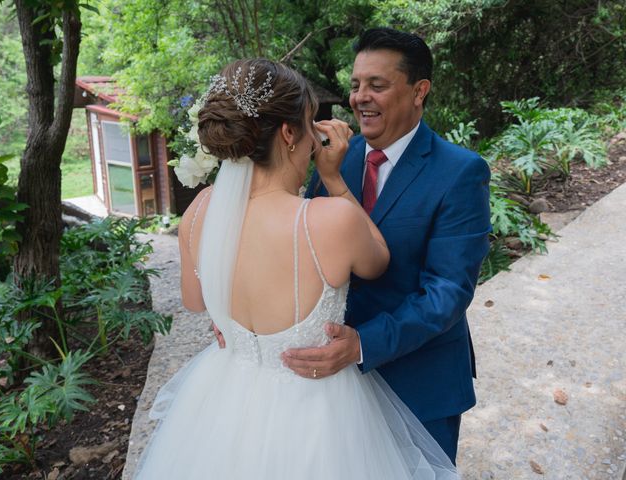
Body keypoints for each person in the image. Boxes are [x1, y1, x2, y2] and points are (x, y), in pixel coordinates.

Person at [134, 58, 459, 479]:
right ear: (289, 133)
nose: (313, 135)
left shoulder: (197, 211)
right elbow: (378, 260)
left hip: (225, 401)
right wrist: (336, 179)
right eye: (309, 122)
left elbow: (196, 302)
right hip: (315, 410)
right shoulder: (327, 220)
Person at [282, 27, 491, 464]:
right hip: (336, 389)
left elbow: (447, 292)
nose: (360, 97)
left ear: (419, 91)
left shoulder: (461, 172)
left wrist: (361, 345)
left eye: (377, 85)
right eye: (356, 84)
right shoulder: (334, 160)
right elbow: (301, 249)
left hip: (420, 381)